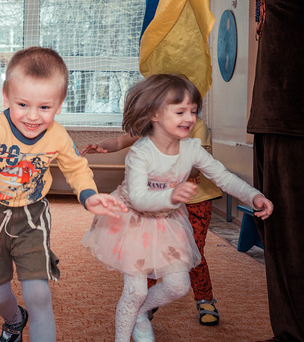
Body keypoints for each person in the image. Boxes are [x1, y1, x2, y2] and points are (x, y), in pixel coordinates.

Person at [0, 46, 126, 342]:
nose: (33, 117)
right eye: (22, 104)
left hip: (31, 218)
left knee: (38, 295)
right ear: (6, 97)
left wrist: (89, 195)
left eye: (45, 107)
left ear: (59, 104)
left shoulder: (58, 136)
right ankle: (14, 320)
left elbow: (76, 168)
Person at [80, 74, 273, 342]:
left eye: (193, 111)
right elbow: (138, 198)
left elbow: (223, 177)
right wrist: (172, 195)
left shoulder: (192, 148)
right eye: (180, 111)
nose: (189, 118)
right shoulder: (141, 152)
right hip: (133, 221)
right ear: (154, 114)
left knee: (178, 286)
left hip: (169, 221)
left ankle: (141, 313)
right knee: (135, 291)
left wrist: (253, 196)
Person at [210, 0, 304, 342]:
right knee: (280, 234)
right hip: (273, 119)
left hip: (296, 121)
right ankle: (289, 331)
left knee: (292, 237)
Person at [82, 116, 223, 326]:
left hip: (197, 200)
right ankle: (148, 300)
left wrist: (167, 161)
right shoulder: (154, 125)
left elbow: (195, 168)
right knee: (149, 252)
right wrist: (101, 146)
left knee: (192, 252)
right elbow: (121, 141)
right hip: (159, 203)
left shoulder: (197, 126)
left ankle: (204, 298)